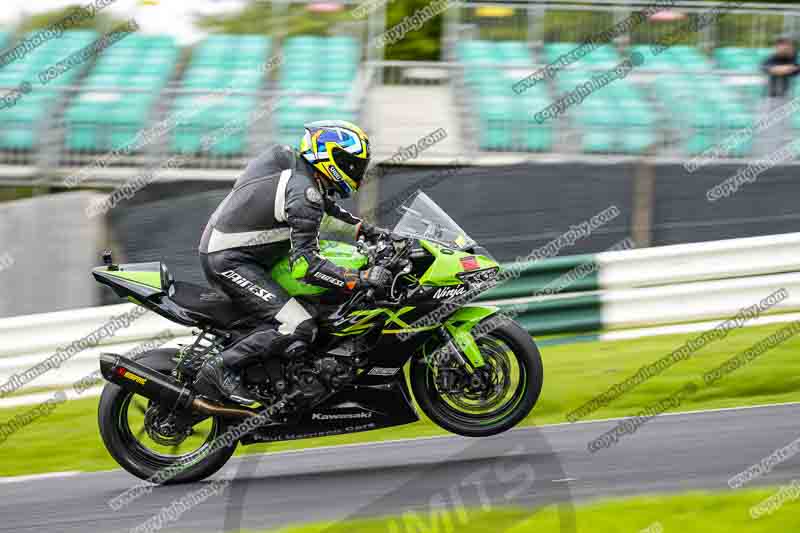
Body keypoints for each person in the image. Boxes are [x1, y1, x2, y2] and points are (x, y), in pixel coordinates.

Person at [194, 120, 393, 404]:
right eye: (351, 164)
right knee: (299, 325)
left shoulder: (296, 169)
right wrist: (357, 280)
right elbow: (306, 266)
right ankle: (221, 367)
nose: (356, 173)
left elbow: (324, 212)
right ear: (329, 156)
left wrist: (370, 232)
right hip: (231, 261)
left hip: (245, 252)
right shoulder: (303, 191)